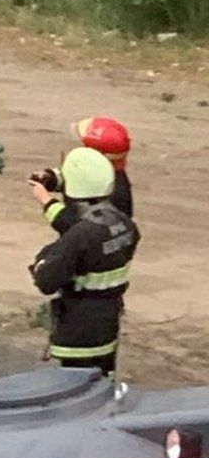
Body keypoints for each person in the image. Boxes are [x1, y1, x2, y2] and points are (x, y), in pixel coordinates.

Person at [28, 147, 140, 377]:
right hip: (107, 328)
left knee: (74, 397)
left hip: (76, 337)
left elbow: (46, 281)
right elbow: (84, 227)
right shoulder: (124, 226)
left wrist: (41, 260)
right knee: (101, 390)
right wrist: (54, 179)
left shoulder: (80, 237)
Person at [30, 117, 132, 235]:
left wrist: (46, 200)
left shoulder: (112, 195)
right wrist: (52, 178)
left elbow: (70, 224)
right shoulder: (103, 176)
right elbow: (77, 177)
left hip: (87, 248)